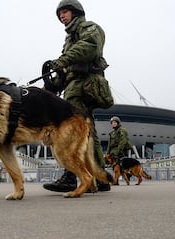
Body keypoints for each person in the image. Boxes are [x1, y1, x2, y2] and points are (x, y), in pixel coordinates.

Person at [43, 0, 110, 192]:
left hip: (83, 85)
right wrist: (52, 84)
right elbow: (66, 71)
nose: (62, 16)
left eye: (65, 12)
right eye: (60, 14)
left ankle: (71, 176)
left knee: (72, 129)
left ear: (76, 12)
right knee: (88, 132)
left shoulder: (89, 28)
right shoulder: (70, 38)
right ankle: (100, 177)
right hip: (75, 84)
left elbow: (90, 46)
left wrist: (61, 61)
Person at [106, 116, 133, 184]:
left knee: (117, 166)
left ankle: (117, 180)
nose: (114, 124)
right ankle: (124, 179)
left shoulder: (122, 131)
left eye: (115, 122)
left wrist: (119, 151)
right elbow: (109, 144)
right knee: (115, 167)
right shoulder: (111, 133)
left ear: (118, 123)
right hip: (113, 151)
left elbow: (123, 141)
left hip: (119, 150)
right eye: (112, 122)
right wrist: (108, 153)